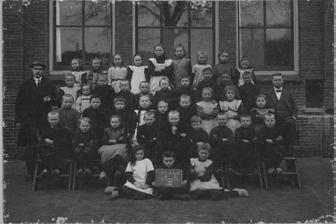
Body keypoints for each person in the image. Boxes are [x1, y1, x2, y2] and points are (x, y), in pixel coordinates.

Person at [15, 60, 58, 180]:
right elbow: (19, 102)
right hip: (28, 121)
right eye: (35, 69)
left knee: (43, 145)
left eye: (40, 69)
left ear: (43, 71)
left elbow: (57, 98)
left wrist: (50, 99)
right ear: (32, 70)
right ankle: (30, 173)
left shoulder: (48, 84)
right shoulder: (25, 84)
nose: (38, 71)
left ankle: (43, 171)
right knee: (30, 147)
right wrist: (18, 120)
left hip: (43, 120)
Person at [266, 73, 298, 157]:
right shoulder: (268, 93)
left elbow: (295, 107)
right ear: (272, 81)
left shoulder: (288, 93)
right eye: (275, 80)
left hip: (287, 121)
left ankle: (290, 164)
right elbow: (265, 107)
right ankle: (275, 163)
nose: (277, 82)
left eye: (279, 80)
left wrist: (293, 118)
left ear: (283, 81)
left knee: (289, 141)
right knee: (274, 141)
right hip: (273, 122)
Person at [98, 115, 129, 195]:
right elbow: (104, 140)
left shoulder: (123, 130)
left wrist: (116, 141)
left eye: (116, 122)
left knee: (121, 152)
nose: (114, 124)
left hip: (119, 147)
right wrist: (111, 141)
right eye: (113, 122)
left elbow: (124, 140)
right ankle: (106, 173)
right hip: (109, 147)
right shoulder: (107, 130)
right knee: (105, 152)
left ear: (120, 122)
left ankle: (117, 178)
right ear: (110, 123)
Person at [38, 111, 72, 180]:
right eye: (51, 119)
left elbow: (65, 141)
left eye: (55, 119)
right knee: (44, 152)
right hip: (47, 149)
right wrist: (45, 140)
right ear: (48, 119)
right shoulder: (45, 129)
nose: (53, 121)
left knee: (56, 153)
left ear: (58, 119)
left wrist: (53, 142)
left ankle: (52, 170)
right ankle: (49, 170)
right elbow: (42, 139)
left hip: (59, 148)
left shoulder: (63, 129)